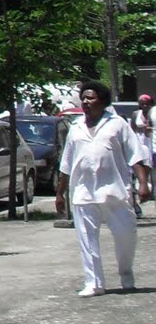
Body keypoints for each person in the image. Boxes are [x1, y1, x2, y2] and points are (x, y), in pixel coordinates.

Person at [56, 81, 150, 297]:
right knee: (87, 241)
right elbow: (67, 164)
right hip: (83, 193)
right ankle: (94, 283)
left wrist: (143, 183)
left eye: (91, 98)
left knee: (126, 236)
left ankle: (126, 273)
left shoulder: (117, 124)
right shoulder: (76, 127)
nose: (86, 102)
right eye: (84, 98)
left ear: (103, 101)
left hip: (115, 191)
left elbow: (135, 156)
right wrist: (60, 193)